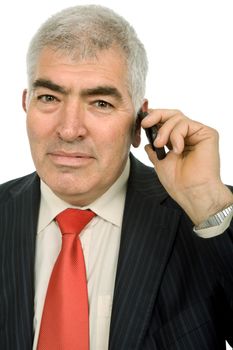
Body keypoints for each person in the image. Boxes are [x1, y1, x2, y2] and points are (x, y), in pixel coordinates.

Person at [0, 4, 232, 350]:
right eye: (49, 97)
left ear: (141, 122)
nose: (69, 129)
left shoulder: (201, 218)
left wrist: (208, 204)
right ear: (26, 104)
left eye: (101, 103)